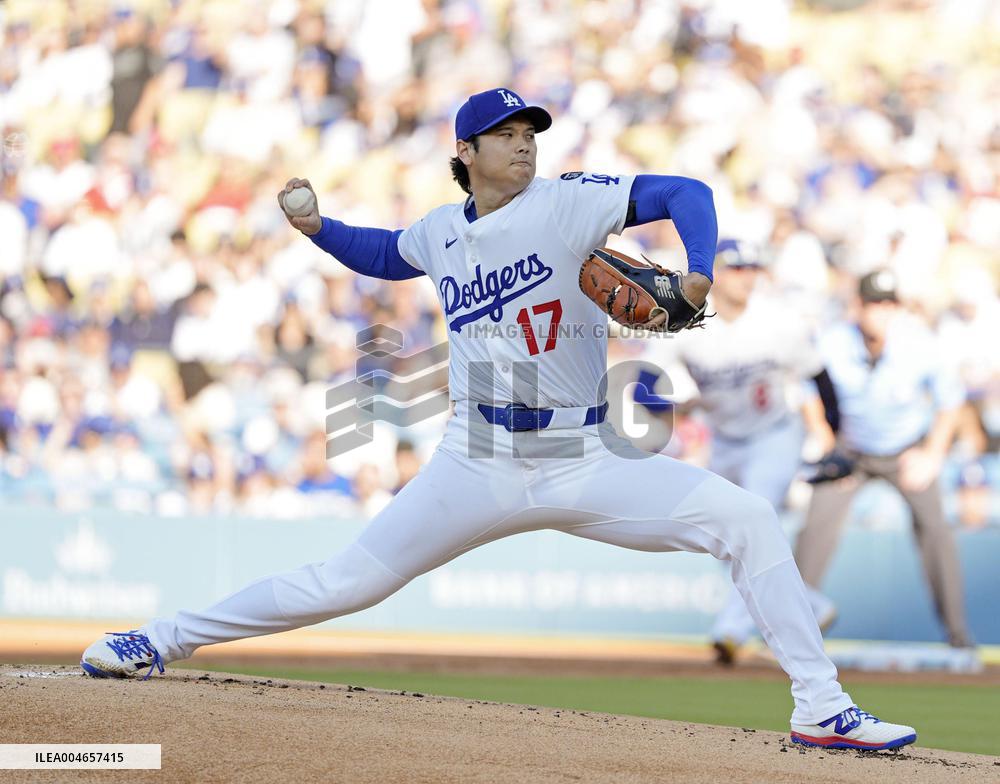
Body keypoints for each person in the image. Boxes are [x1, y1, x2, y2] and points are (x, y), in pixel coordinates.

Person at [82, 87, 916, 750]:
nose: (524, 142)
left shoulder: (568, 204)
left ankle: (822, 707)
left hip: (586, 452)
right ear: (467, 152)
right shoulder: (443, 230)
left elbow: (684, 191)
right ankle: (159, 639)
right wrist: (317, 228)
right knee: (346, 582)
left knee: (747, 519)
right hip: (474, 457)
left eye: (531, 131)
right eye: (506, 132)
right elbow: (382, 252)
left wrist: (698, 271)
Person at [646, 239, 838, 664]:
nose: (747, 276)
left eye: (753, 268)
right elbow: (648, 381)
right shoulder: (688, 322)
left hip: (774, 436)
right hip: (725, 438)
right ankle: (810, 605)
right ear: (714, 270)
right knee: (722, 534)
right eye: (737, 268)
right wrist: (672, 410)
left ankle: (730, 630)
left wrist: (833, 434)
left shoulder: (777, 321)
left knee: (754, 513)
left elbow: (820, 376)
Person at [793, 270, 976, 660]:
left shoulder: (920, 344)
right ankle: (789, 637)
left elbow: (950, 400)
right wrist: (827, 440)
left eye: (889, 303)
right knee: (814, 532)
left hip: (904, 449)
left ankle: (959, 638)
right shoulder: (832, 340)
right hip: (850, 449)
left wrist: (931, 454)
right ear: (857, 306)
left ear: (898, 307)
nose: (882, 311)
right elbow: (808, 390)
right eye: (874, 303)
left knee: (937, 532)